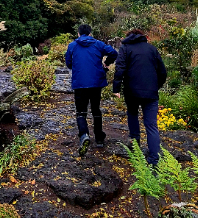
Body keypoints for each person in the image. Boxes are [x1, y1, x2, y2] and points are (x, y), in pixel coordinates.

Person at [112, 28, 167, 165]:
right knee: (151, 125)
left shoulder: (125, 48)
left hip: (132, 91)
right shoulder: (152, 49)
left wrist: (116, 88)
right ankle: (154, 160)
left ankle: (135, 142)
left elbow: (120, 68)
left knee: (132, 113)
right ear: (143, 36)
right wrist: (156, 86)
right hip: (151, 93)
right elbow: (162, 72)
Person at [65, 24, 118, 156]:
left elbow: (68, 63)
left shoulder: (72, 46)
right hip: (96, 82)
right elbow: (114, 53)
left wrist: (76, 66)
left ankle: (84, 135)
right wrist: (107, 64)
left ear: (78, 33)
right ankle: (99, 138)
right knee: (96, 110)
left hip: (80, 83)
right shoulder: (98, 44)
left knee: (81, 112)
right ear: (90, 33)